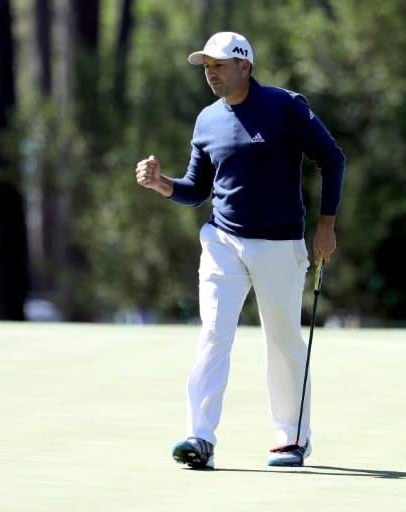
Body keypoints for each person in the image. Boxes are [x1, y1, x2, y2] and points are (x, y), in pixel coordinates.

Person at [134, 31, 345, 469]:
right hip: (222, 240)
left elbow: (332, 158)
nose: (211, 74)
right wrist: (162, 184)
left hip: (280, 242)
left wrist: (326, 225)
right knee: (213, 333)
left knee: (283, 340)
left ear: (244, 66)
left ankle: (292, 439)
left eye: (219, 66)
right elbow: (195, 190)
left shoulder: (286, 107)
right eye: (207, 67)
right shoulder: (207, 120)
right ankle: (200, 438)